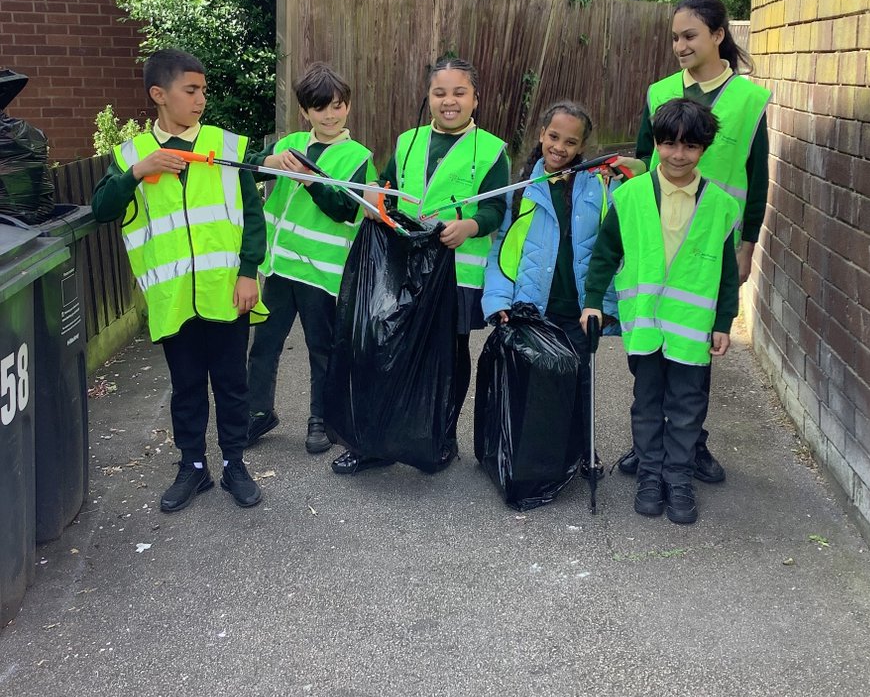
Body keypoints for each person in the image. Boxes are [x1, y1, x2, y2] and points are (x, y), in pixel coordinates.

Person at [91, 49, 268, 513]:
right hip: (173, 300)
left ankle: (234, 464)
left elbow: (252, 217)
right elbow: (102, 208)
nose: (201, 99)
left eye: (203, 90)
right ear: (159, 94)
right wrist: (137, 172)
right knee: (186, 387)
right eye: (191, 90)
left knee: (232, 384)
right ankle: (193, 467)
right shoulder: (132, 155)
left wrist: (249, 273)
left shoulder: (226, 146)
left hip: (228, 293)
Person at [615, 0, 770, 484]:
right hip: (657, 241)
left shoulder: (748, 99)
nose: (680, 46)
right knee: (649, 352)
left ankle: (690, 445)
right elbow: (642, 160)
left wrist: (747, 245)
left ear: (718, 35)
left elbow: (758, 175)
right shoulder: (660, 92)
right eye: (675, 38)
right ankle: (650, 447)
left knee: (693, 352)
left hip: (710, 248)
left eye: (690, 36)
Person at [331, 55, 509, 475]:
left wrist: (470, 224)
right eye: (440, 92)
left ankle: (438, 439)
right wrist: (377, 199)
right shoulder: (408, 140)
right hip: (403, 269)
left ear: (475, 99)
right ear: (429, 97)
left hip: (455, 274)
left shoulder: (491, 150)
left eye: (459, 92)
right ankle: (373, 441)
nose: (450, 101)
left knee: (449, 357)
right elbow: (388, 189)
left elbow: (498, 207)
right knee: (383, 349)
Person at [581, 98, 740, 525]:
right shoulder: (630, 196)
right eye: (668, 144)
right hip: (646, 327)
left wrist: (724, 322)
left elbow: (726, 270)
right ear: (655, 144)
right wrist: (593, 302)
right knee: (647, 402)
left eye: (689, 147)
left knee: (688, 406)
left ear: (703, 149)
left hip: (692, 329)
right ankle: (650, 476)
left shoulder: (720, 205)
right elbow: (605, 254)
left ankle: (679, 478)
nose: (677, 155)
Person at [245, 63, 375, 453]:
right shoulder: (289, 145)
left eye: (337, 106)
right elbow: (249, 166)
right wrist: (269, 163)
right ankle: (257, 414)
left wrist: (309, 181)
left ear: (348, 107)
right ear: (305, 111)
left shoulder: (357, 157)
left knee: (322, 349)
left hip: (320, 273)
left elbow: (346, 209)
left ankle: (321, 420)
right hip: (279, 268)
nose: (330, 115)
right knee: (264, 344)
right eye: (320, 109)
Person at [481, 101, 612, 479]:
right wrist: (499, 299)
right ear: (541, 135)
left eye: (571, 142)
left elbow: (610, 250)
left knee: (578, 383)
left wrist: (604, 304)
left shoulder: (602, 187)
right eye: (553, 137)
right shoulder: (521, 190)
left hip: (578, 309)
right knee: (536, 383)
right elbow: (502, 248)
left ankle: (584, 451)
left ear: (582, 146)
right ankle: (533, 454)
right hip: (532, 306)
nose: (560, 147)